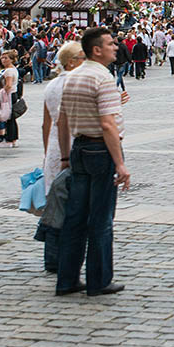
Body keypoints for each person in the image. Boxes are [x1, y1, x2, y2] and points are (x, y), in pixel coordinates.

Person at [55, 26, 130, 297]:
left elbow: (61, 120)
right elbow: (108, 125)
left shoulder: (72, 77)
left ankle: (67, 279)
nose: (115, 47)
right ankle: (99, 280)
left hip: (79, 148)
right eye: (110, 44)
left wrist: (65, 156)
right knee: (100, 217)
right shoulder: (103, 78)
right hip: (101, 150)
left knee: (75, 217)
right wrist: (120, 163)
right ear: (96, 50)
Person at [42, 42, 84, 191]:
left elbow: (46, 123)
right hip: (75, 143)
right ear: (71, 62)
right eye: (82, 58)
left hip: (54, 144)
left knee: (56, 198)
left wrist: (47, 152)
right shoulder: (78, 83)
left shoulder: (51, 85)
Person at [0, 51, 20, 148]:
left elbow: (8, 85)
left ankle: (9, 139)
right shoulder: (13, 69)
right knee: (11, 117)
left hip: (8, 95)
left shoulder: (8, 71)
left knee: (8, 117)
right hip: (13, 94)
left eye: (6, 58)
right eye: (2, 58)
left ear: (12, 60)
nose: (3, 60)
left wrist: (2, 92)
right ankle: (13, 139)